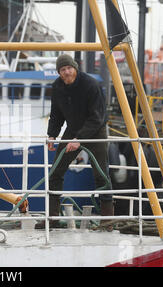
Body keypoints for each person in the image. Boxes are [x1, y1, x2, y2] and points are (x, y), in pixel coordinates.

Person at [35, 54, 114, 231]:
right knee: (55, 172)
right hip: (73, 130)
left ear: (75, 69)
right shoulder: (57, 87)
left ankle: (107, 221)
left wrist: (80, 140)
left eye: (69, 68)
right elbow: (56, 114)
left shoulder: (90, 84)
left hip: (96, 131)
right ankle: (52, 217)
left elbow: (97, 117)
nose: (66, 72)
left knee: (101, 174)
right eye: (62, 70)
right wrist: (52, 135)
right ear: (59, 73)